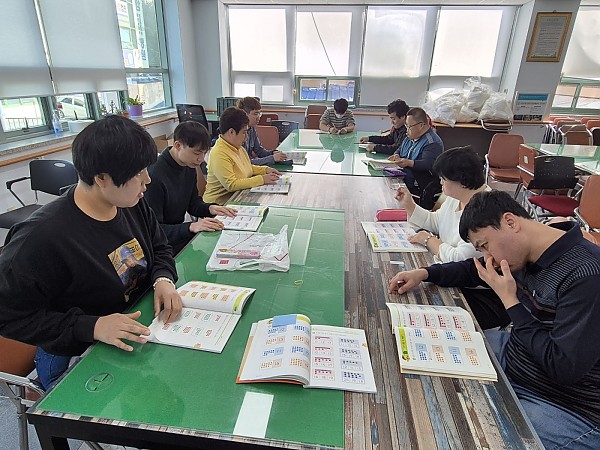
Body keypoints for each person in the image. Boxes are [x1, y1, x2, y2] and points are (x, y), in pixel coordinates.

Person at [388, 190, 600, 449]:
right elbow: (475, 269)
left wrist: (511, 301)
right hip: (516, 360)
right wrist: (425, 273)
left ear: (510, 222)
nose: (487, 257)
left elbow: (563, 367)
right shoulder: (528, 249)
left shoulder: (587, 275)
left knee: (468, 433)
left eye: (485, 245)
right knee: (424, 361)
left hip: (568, 404)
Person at [0, 115, 182, 390]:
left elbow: (159, 246)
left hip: (135, 329)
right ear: (101, 178)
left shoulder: (131, 203)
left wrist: (163, 279)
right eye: (137, 173)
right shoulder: (41, 238)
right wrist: (92, 327)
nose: (147, 180)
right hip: (76, 351)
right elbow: (9, 316)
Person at [395, 146, 509, 329]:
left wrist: (429, 240)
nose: (440, 182)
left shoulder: (485, 211)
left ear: (461, 182)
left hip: (474, 289)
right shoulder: (456, 197)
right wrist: (410, 205)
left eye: (444, 178)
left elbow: (460, 259)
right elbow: (435, 221)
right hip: (448, 273)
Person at [145, 121, 237, 255]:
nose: (201, 159)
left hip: (180, 238)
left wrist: (210, 208)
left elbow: (193, 204)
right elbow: (154, 231)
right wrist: (191, 227)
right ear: (178, 145)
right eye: (196, 153)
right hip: (163, 248)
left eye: (204, 153)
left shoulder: (188, 165)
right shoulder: (154, 176)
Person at [203, 107, 281, 204]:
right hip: (218, 205)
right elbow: (231, 185)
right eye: (244, 132)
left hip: (236, 198)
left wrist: (265, 170)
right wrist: (262, 179)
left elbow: (246, 167)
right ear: (231, 132)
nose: (246, 137)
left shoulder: (237, 147)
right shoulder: (219, 153)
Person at [389, 107, 443, 210]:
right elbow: (399, 150)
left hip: (418, 188)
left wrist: (408, 162)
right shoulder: (410, 137)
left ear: (421, 125)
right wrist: (396, 155)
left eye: (409, 126)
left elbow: (428, 164)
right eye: (406, 126)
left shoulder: (432, 142)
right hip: (402, 179)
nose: (407, 129)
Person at [236, 97, 288, 166]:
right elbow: (246, 163)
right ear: (244, 114)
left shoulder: (252, 129)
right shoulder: (237, 134)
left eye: (259, 114)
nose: (259, 117)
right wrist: (272, 158)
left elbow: (260, 151)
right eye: (255, 114)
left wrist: (273, 153)